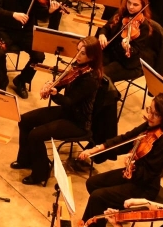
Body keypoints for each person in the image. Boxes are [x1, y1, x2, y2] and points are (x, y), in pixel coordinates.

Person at [76, 93, 163, 227]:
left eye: (155, 114)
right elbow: (125, 139)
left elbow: (147, 175)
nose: (149, 116)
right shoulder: (151, 127)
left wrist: (132, 165)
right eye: (149, 110)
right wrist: (95, 149)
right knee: (93, 183)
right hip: (133, 176)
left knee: (98, 197)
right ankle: (110, 215)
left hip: (144, 187)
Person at [11, 37, 103, 186]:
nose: (77, 55)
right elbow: (63, 82)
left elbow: (68, 101)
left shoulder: (91, 78)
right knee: (24, 120)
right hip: (67, 112)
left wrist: (54, 94)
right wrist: (52, 85)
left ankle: (40, 173)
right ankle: (25, 159)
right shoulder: (78, 66)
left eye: (83, 53)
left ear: (92, 56)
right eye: (78, 50)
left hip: (77, 121)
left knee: (36, 135)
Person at [97, 0, 155, 82]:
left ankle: (110, 94)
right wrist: (102, 34)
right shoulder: (122, 12)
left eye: (135, 4)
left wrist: (127, 47)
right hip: (111, 52)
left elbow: (136, 50)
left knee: (100, 75)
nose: (131, 7)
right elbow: (106, 27)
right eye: (129, 3)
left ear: (143, 5)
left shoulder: (144, 26)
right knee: (87, 64)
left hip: (126, 62)